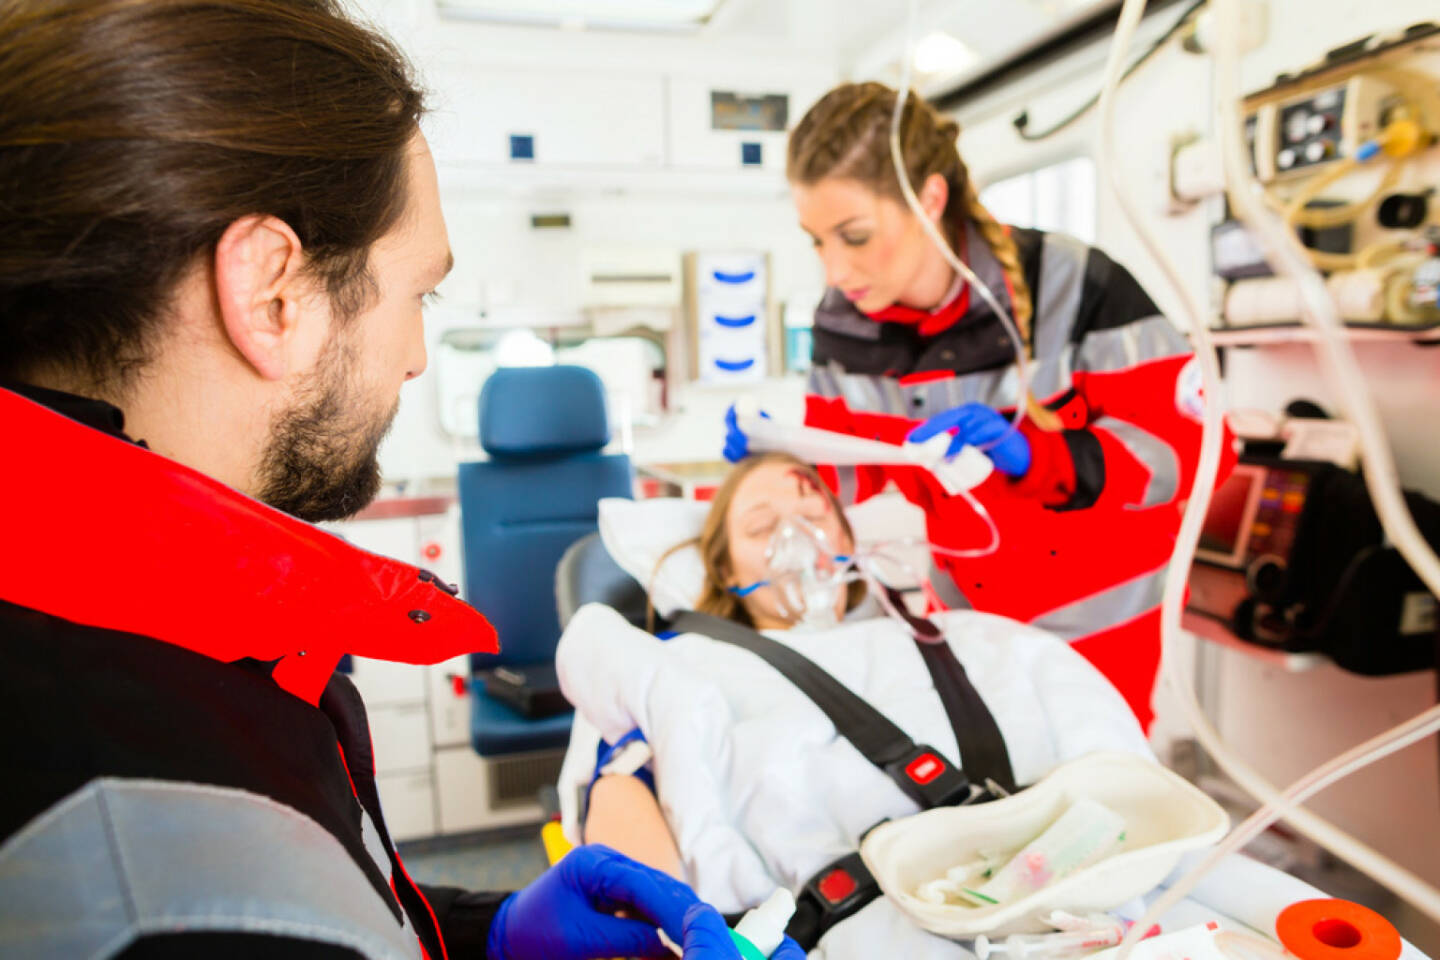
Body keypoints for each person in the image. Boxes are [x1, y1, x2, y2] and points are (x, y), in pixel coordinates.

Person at [0, 2, 800, 958]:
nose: (419, 355)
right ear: (273, 294)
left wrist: (482, 935)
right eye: (418, 292)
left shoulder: (169, 638)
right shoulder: (135, 814)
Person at [726, 82, 1234, 732]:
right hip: (967, 626)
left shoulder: (1076, 287)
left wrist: (1042, 459)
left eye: (853, 236)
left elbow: (1200, 453)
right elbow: (849, 473)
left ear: (929, 198)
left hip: (1105, 630)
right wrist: (781, 461)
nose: (834, 270)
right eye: (816, 241)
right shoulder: (845, 327)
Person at [554, 453, 1153, 959]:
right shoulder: (683, 661)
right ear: (723, 565)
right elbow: (620, 790)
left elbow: (1120, 766)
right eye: (762, 528)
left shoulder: (971, 638)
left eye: (814, 516)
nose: (796, 539)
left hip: (1074, 908)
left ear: (846, 541)